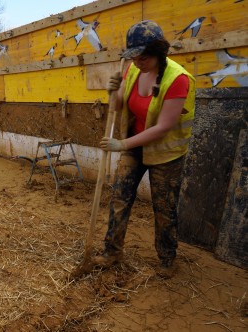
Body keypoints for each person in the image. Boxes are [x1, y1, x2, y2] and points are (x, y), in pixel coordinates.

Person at [93, 20, 196, 278]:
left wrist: (122, 144)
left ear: (158, 52)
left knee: (163, 207)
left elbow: (163, 126)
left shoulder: (178, 79)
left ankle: (167, 259)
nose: (137, 62)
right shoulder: (132, 70)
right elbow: (119, 107)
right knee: (119, 197)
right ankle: (112, 252)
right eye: (133, 57)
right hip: (134, 144)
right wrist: (112, 92)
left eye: (143, 57)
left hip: (165, 153)